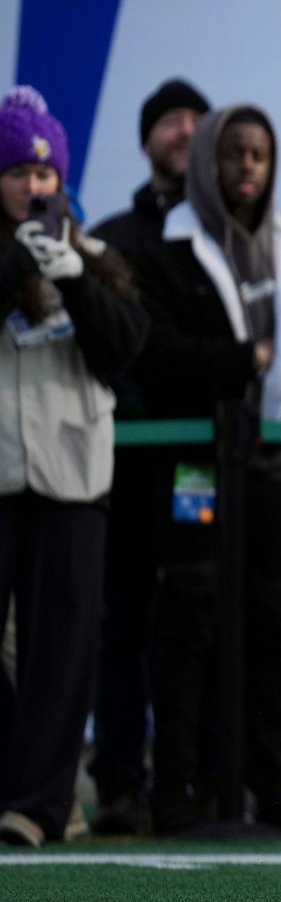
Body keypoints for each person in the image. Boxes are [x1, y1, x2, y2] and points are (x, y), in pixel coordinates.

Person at [131, 106, 281, 835]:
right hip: (195, 469)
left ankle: (274, 786)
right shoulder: (164, 251)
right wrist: (242, 362)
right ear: (207, 161)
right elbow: (158, 354)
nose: (247, 167)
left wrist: (277, 395)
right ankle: (177, 784)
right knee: (191, 616)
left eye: (260, 155)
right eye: (234, 154)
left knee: (273, 621)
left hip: (277, 469)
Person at [0, 87, 148, 849]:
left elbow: (125, 348)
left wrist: (77, 279)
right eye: (19, 173)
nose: (34, 187)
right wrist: (11, 266)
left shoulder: (93, 256)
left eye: (46, 174)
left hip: (72, 479)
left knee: (60, 648)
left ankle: (40, 804)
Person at [86, 78, 209, 837]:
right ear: (145, 138)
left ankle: (191, 781)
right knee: (120, 621)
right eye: (170, 119)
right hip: (125, 466)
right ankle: (120, 782)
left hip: (202, 470)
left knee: (197, 617)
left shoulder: (229, 238)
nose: (185, 131)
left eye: (198, 119)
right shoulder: (108, 240)